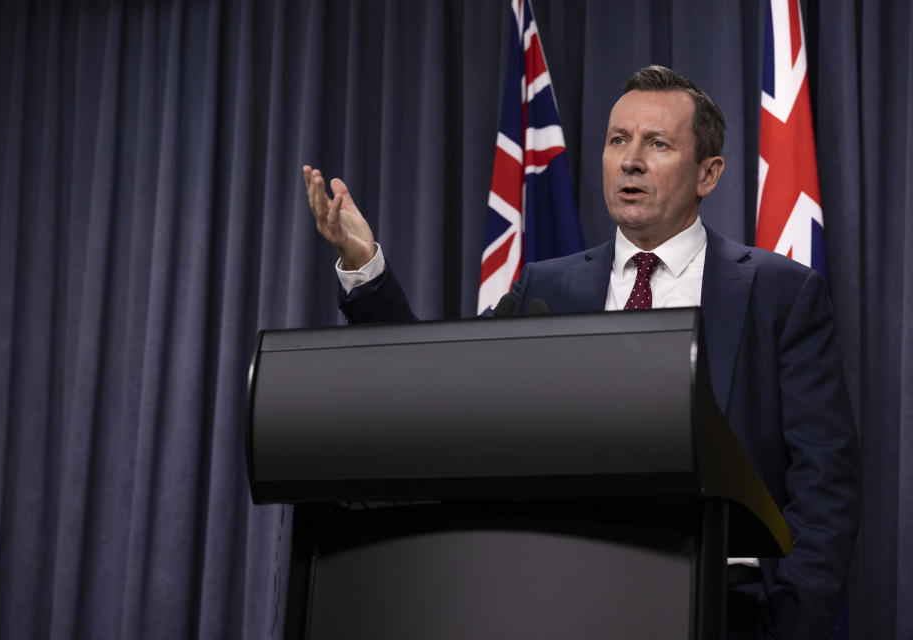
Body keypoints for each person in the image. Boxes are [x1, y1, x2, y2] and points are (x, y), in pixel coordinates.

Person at [302, 65, 860, 639]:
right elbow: (438, 388)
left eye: (658, 143)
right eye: (618, 140)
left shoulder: (780, 292)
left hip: (726, 607)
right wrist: (363, 263)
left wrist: (788, 625)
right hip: (565, 601)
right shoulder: (547, 288)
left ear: (708, 173)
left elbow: (826, 483)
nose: (631, 160)